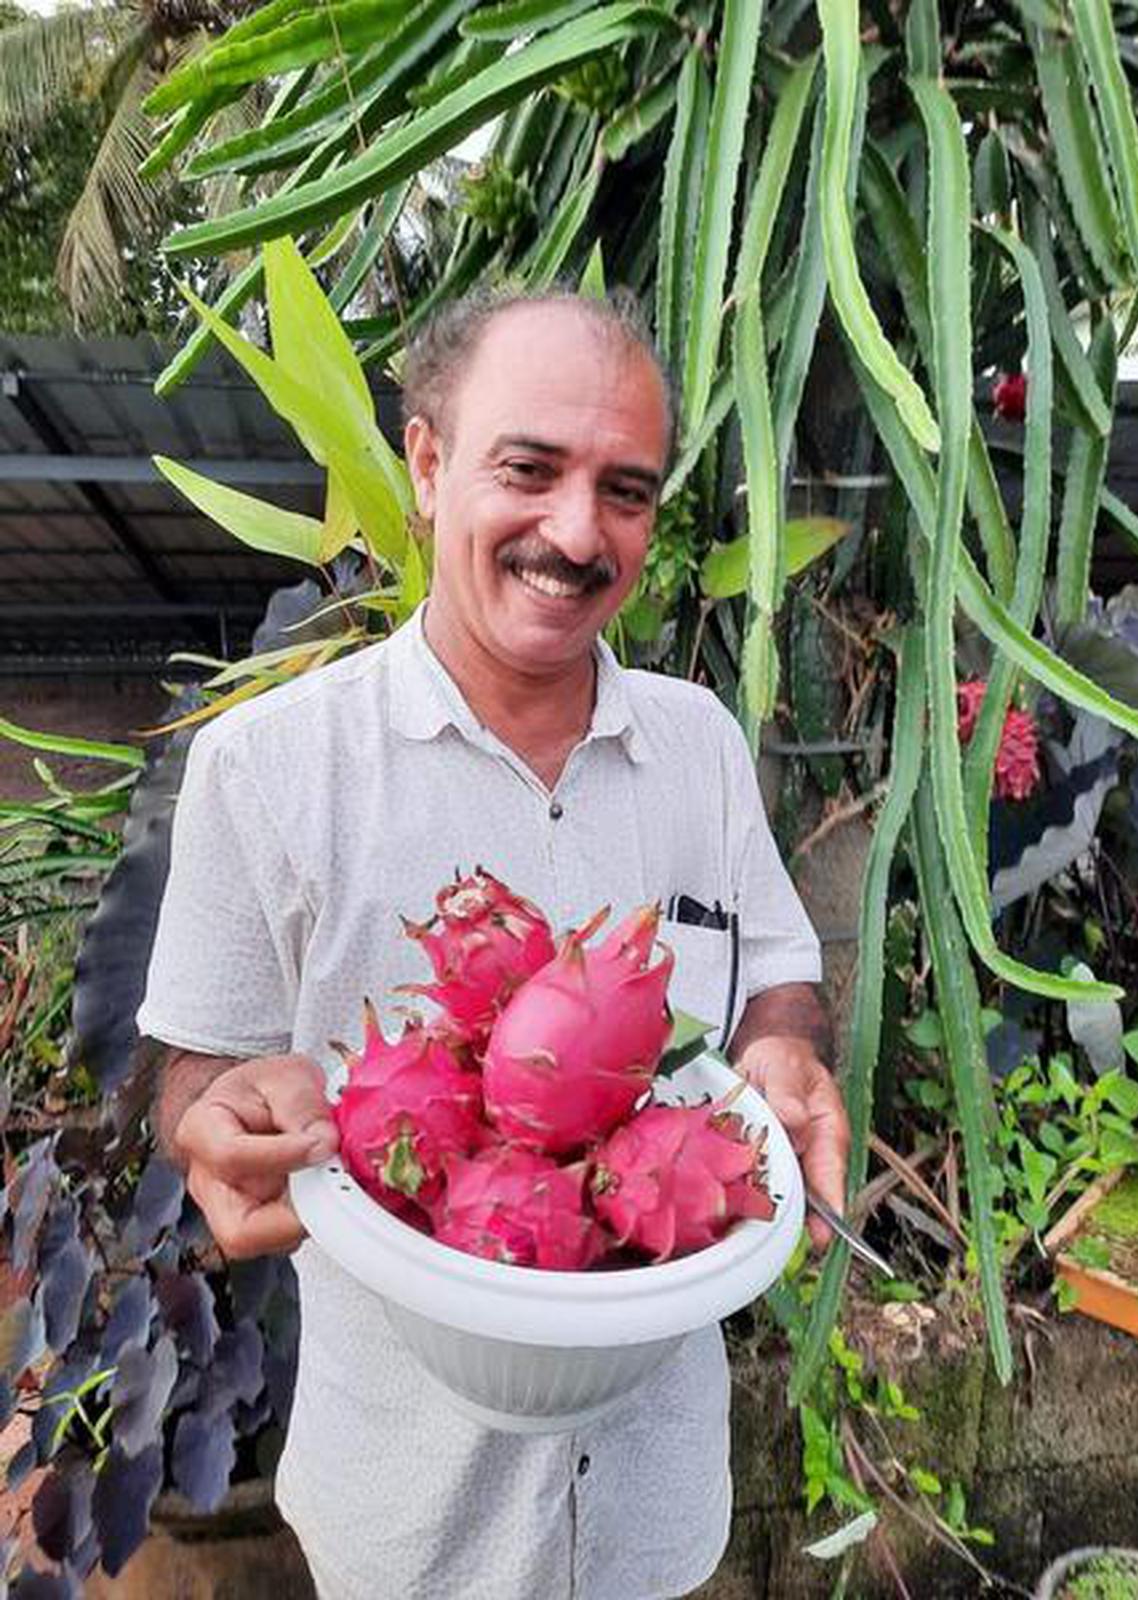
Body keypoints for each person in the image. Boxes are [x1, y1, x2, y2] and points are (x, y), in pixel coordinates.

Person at [140, 287, 850, 1600]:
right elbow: (199, 1075)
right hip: (409, 1522)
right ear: (424, 466)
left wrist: (785, 1051)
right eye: (528, 469)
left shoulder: (700, 746)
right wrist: (220, 1122)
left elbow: (777, 978)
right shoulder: (271, 769)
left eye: (626, 492)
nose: (576, 532)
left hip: (653, 1499)